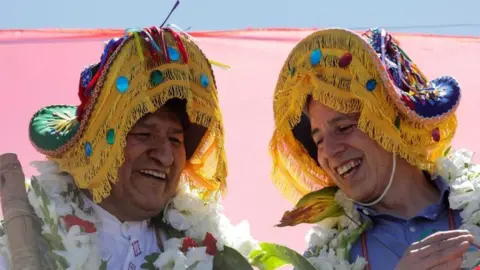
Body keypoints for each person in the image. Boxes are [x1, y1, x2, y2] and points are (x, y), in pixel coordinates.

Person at [0, 24, 258, 269]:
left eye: (175, 140)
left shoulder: (211, 251)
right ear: (99, 145)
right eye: (144, 134)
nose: (166, 157)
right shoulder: (26, 238)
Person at [268, 28, 480, 269]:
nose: (329, 152)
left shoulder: (474, 200)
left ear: (392, 122)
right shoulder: (324, 260)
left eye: (344, 128)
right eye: (319, 141)